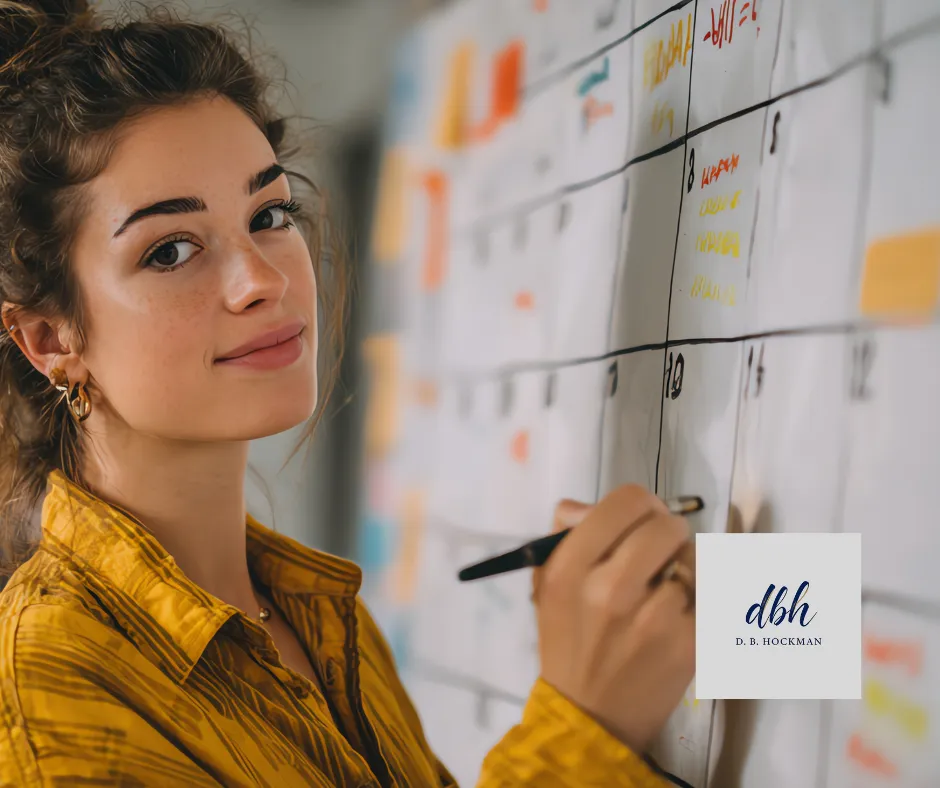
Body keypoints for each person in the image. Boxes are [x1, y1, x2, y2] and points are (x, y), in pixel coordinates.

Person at [0, 2, 697, 786]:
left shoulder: (322, 619)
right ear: (50, 340)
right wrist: (584, 730)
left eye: (269, 214)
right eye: (170, 251)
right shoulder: (49, 691)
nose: (263, 279)